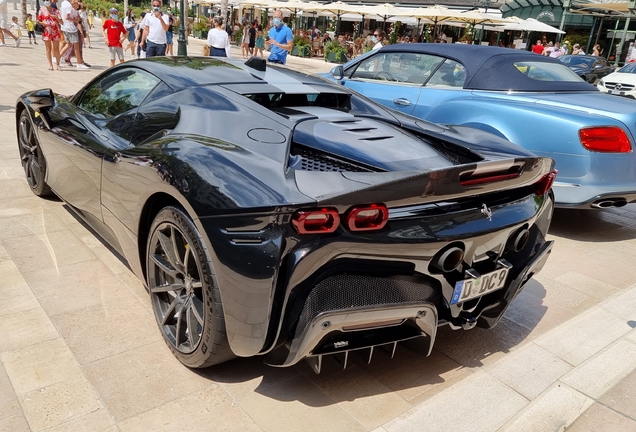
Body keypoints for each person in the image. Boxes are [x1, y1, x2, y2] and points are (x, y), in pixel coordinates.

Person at [59, 0, 88, 68]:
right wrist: (76, 20)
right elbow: (67, 17)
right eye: (77, 3)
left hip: (65, 27)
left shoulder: (63, 3)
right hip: (71, 28)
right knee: (76, 46)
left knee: (68, 44)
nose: (78, 5)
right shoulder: (70, 7)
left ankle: (58, 58)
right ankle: (79, 63)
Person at [37, 0, 62, 70]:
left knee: (56, 49)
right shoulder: (42, 10)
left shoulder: (56, 11)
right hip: (46, 31)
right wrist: (43, 23)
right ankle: (50, 65)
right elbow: (38, 21)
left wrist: (56, 17)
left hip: (55, 31)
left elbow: (62, 22)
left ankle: (58, 65)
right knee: (48, 49)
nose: (46, 2)